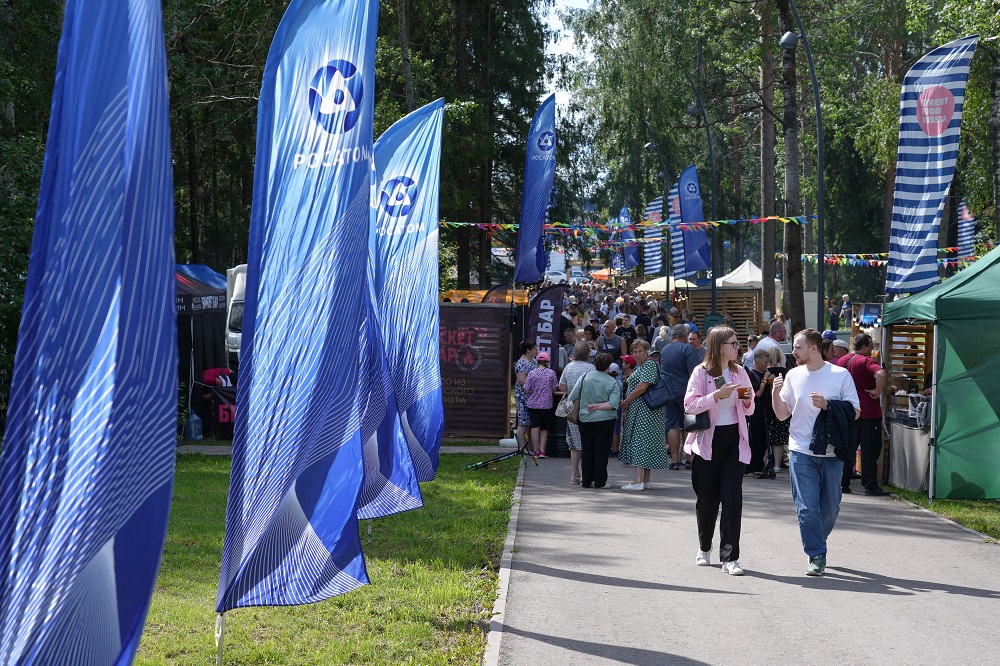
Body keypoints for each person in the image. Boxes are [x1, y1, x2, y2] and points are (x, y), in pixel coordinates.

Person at [772, 328, 860, 576]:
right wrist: (774, 394)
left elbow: (856, 411)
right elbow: (781, 414)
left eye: (798, 347)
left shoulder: (840, 375)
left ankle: (817, 540)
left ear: (813, 348)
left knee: (831, 507)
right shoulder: (793, 375)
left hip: (833, 452)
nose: (793, 352)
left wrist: (828, 405)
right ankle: (816, 554)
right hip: (800, 449)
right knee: (807, 508)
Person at [683, 326, 756, 574]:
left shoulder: (740, 372)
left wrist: (747, 400)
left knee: (732, 498)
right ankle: (705, 547)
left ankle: (730, 557)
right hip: (706, 441)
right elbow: (690, 405)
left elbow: (750, 408)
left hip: (735, 439)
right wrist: (716, 395)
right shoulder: (701, 373)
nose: (738, 348)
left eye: (737, 343)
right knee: (707, 500)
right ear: (719, 346)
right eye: (733, 343)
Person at [836, 334, 889, 496]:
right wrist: (877, 391)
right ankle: (870, 485)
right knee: (870, 450)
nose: (872, 349)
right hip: (868, 412)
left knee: (848, 449)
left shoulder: (841, 361)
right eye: (871, 346)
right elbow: (881, 374)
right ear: (864, 346)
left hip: (848, 411)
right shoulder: (866, 360)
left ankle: (842, 483)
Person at [618, 340, 668, 490]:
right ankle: (645, 480)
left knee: (640, 442)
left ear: (646, 351)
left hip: (645, 410)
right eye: (635, 352)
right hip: (645, 410)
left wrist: (626, 401)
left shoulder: (649, 365)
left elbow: (642, 387)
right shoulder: (644, 366)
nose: (638, 354)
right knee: (645, 442)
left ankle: (637, 481)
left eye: (640, 351)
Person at [570, 352, 622, 489]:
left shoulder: (584, 377)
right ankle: (600, 481)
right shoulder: (612, 382)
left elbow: (573, 395)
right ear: (609, 366)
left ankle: (586, 480)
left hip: (585, 418)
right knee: (602, 451)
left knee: (587, 450)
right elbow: (612, 404)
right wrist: (599, 406)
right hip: (605, 420)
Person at [659, 324, 700, 470]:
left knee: (672, 425)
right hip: (685, 391)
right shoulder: (687, 349)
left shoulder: (665, 349)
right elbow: (693, 374)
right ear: (684, 335)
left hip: (668, 392)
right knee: (688, 423)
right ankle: (689, 458)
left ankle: (675, 460)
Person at [559, 342, 596, 484]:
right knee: (587, 441)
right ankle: (587, 475)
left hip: (571, 408)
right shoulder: (591, 368)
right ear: (588, 353)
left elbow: (562, 386)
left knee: (574, 443)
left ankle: (574, 475)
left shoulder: (568, 367)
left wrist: (570, 389)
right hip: (588, 407)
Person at [523, 351, 559, 458]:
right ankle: (543, 451)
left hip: (533, 404)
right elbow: (554, 388)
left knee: (535, 427)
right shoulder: (551, 373)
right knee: (544, 428)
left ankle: (536, 451)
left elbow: (526, 390)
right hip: (546, 404)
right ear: (547, 362)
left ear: (538, 361)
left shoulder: (531, 373)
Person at [764, 346, 790, 476]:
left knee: (766, 437)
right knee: (779, 439)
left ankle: (765, 462)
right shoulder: (786, 372)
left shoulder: (766, 372)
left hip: (767, 408)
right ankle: (777, 465)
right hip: (782, 407)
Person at [746, 348, 772, 475]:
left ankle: (759, 463)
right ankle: (752, 465)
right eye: (765, 362)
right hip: (755, 412)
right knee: (755, 439)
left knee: (764, 440)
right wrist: (765, 380)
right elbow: (757, 394)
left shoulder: (764, 374)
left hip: (765, 411)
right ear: (757, 361)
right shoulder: (752, 375)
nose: (766, 365)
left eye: (768, 363)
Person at [513, 341, 538, 446]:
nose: (537, 351)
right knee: (523, 422)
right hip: (523, 396)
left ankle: (530, 447)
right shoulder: (522, 363)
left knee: (531, 422)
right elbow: (522, 381)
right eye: (535, 349)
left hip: (533, 395)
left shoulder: (534, 361)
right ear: (528, 350)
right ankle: (523, 448)